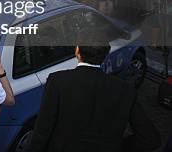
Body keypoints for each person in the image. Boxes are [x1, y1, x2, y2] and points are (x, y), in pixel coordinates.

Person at [29, 42, 160, 152]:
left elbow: (42, 132)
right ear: (105, 55)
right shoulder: (125, 90)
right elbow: (150, 139)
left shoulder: (57, 81)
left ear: (77, 51)